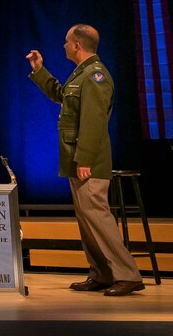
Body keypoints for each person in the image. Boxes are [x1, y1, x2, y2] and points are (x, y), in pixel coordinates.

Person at [27, 25, 144, 297]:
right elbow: (62, 96)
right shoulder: (81, 74)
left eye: (67, 42)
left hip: (87, 161)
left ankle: (127, 275)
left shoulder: (95, 75)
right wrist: (39, 70)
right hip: (77, 159)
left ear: (77, 45)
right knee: (87, 221)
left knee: (99, 218)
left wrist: (85, 159)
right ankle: (102, 273)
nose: (64, 46)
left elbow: (93, 121)